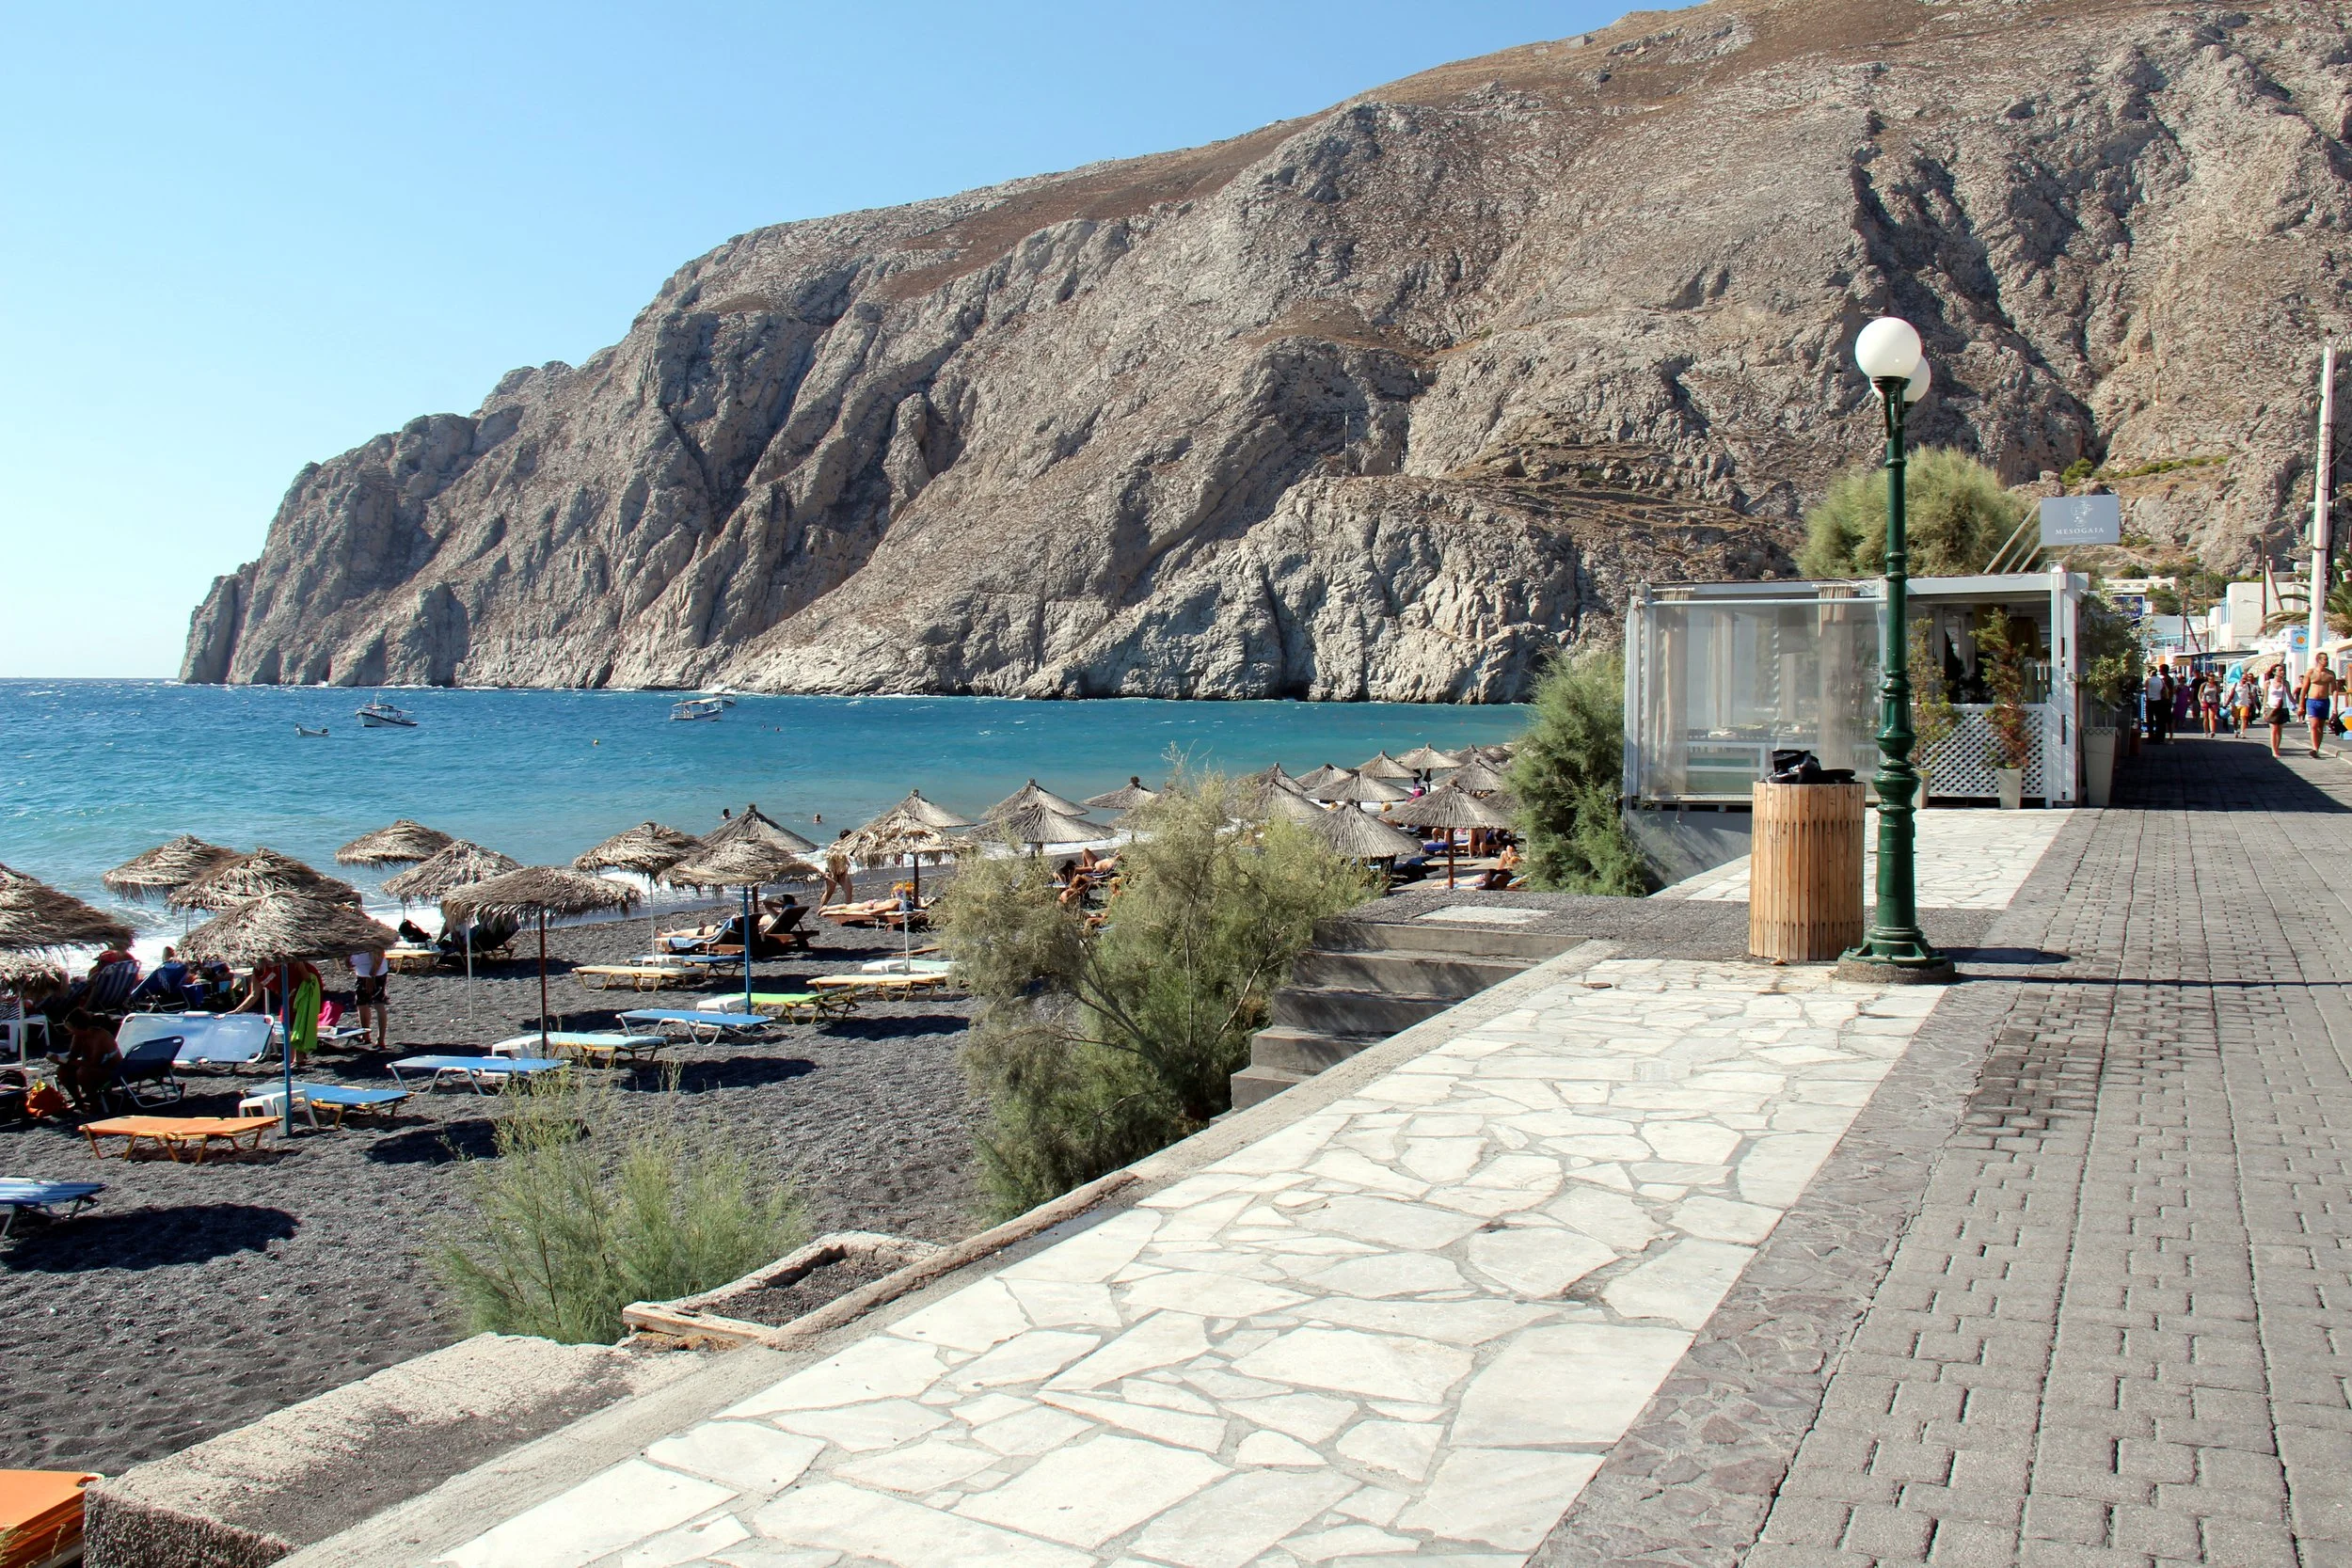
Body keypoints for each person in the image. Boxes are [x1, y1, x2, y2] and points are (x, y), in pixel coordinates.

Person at [56, 1009, 120, 1112]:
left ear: (77, 1027)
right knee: (62, 1070)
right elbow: (73, 1055)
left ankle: (94, 1102)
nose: (70, 1032)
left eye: (71, 1029)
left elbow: (94, 1063)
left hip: (112, 1071)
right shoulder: (79, 1036)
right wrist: (59, 1060)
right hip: (94, 1068)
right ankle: (78, 1101)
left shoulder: (100, 1036)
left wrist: (68, 1061)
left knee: (83, 1072)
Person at [348, 948, 389, 1050]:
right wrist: (348, 961)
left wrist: (372, 975)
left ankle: (380, 1040)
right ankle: (365, 1034)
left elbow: (378, 953)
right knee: (361, 1003)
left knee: (378, 1003)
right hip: (361, 972)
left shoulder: (370, 937)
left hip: (376, 972)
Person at [2301, 653, 2341, 758]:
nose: (2326, 661)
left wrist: (2335, 707)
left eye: (2327, 659)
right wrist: (2301, 705)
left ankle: (2317, 749)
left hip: (2324, 701)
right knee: (2314, 725)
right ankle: (2314, 748)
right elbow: (2304, 690)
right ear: (2318, 660)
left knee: (2320, 727)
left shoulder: (2330, 674)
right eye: (2324, 659)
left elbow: (2334, 690)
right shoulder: (2310, 672)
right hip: (2312, 701)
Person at [2265, 663, 2296, 757]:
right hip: (2272, 708)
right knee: (2274, 729)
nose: (2282, 672)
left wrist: (2297, 703)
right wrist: (2264, 710)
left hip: (2282, 708)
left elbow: (2289, 695)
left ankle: (2277, 748)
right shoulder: (2268, 683)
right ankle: (2274, 750)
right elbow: (2265, 697)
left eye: (2283, 670)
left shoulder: (2285, 683)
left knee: (2279, 730)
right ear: (2274, 672)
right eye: (2280, 670)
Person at [2144, 662, 2169, 743]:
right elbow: (2164, 690)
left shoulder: (2148, 680)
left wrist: (2148, 698)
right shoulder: (2160, 680)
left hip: (2150, 701)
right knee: (2159, 720)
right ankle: (2159, 737)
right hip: (2159, 701)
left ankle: (2151, 736)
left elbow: (2146, 691)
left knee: (2150, 720)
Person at [2198, 672, 2221, 736]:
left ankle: (2212, 731)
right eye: (2210, 678)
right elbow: (2199, 694)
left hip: (2213, 702)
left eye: (2213, 678)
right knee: (2205, 718)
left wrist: (2218, 702)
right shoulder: (2204, 685)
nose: (2212, 679)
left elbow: (2218, 694)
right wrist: (2201, 702)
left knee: (2212, 717)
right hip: (2205, 702)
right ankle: (2206, 732)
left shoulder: (2216, 685)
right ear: (2208, 678)